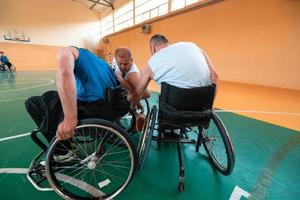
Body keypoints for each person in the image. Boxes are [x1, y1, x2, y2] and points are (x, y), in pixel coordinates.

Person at [25, 47, 130, 142]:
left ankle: (62, 150)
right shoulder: (103, 64)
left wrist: (70, 118)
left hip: (93, 110)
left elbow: (65, 74)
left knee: (33, 102)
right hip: (112, 108)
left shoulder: (68, 52)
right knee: (51, 95)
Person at [129, 34, 218, 108]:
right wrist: (209, 107)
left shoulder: (152, 62)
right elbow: (215, 76)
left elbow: (138, 92)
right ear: (168, 44)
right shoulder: (193, 46)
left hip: (175, 109)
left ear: (152, 47)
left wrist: (133, 108)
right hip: (201, 105)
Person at [111, 47, 150, 131]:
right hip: (119, 87)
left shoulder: (133, 73)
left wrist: (134, 105)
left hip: (128, 88)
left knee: (131, 95)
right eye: (120, 64)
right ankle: (134, 114)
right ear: (116, 59)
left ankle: (135, 114)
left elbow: (146, 94)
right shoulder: (115, 59)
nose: (122, 67)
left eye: (125, 64)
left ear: (131, 60)